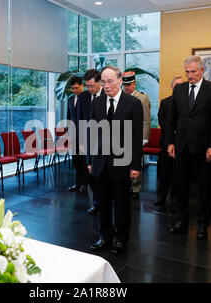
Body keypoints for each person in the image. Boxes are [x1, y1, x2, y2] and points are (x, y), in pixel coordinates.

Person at [165, 55, 211, 240]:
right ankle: (181, 220)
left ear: (202, 70)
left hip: (203, 148)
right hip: (182, 146)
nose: (190, 75)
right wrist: (170, 142)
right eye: (187, 72)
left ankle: (202, 224)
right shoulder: (180, 89)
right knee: (181, 187)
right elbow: (171, 118)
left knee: (203, 188)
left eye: (193, 71)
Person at [88, 66, 143, 254]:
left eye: (110, 81)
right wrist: (90, 160)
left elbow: (136, 137)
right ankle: (105, 235)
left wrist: (135, 165)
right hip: (100, 162)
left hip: (123, 162)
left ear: (120, 81)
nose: (106, 85)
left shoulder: (133, 103)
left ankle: (121, 238)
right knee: (103, 203)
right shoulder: (96, 102)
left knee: (121, 204)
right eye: (103, 82)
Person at [78, 69, 106, 215]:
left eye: (92, 86)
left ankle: (106, 201)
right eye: (87, 86)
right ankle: (97, 202)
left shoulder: (108, 95)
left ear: (100, 82)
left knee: (104, 174)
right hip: (88, 142)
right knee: (91, 175)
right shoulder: (83, 97)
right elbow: (80, 120)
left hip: (105, 142)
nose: (89, 89)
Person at [121, 71, 151, 199]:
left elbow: (146, 119)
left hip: (136, 136)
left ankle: (135, 188)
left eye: (129, 84)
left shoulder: (142, 97)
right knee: (123, 162)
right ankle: (125, 185)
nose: (127, 87)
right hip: (122, 135)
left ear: (134, 84)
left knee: (136, 162)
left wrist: (144, 137)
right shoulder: (120, 96)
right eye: (125, 85)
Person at [156, 76, 183, 207]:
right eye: (176, 85)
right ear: (172, 87)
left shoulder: (187, 103)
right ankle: (161, 197)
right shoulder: (165, 102)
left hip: (182, 144)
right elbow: (161, 119)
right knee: (164, 172)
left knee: (179, 174)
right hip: (167, 142)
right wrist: (172, 131)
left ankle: (176, 198)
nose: (179, 87)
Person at [67, 76, 85, 193]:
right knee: (76, 161)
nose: (75, 90)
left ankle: (86, 184)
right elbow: (68, 118)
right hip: (73, 135)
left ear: (82, 86)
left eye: (77, 88)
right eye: (72, 88)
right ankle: (77, 183)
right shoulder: (70, 99)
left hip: (85, 134)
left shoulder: (87, 98)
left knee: (85, 161)